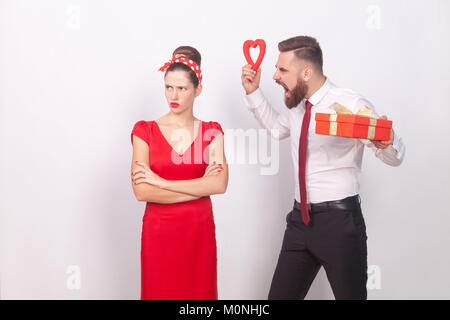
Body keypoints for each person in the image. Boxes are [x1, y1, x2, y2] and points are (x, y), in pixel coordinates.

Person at [241, 36, 405, 300]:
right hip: (299, 222)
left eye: (283, 70)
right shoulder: (297, 105)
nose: (274, 76)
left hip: (339, 224)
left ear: (307, 72)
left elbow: (394, 156)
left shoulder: (349, 104)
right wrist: (252, 91)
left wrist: (386, 142)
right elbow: (275, 128)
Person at [130, 46, 228, 300]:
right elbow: (142, 191)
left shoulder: (211, 132)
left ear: (198, 90)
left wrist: (161, 182)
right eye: (168, 87)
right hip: (159, 232)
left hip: (198, 233)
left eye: (182, 88)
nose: (173, 95)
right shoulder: (145, 131)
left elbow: (219, 185)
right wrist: (199, 187)